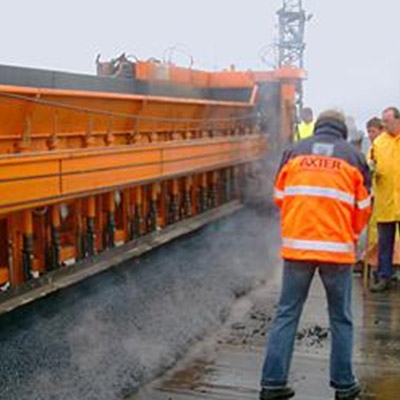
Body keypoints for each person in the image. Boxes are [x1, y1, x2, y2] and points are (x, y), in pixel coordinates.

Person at [260, 110, 371, 400]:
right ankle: (344, 385)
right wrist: (351, 236)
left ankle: (273, 383)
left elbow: (280, 198)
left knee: (286, 314)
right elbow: (363, 208)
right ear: (342, 130)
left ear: (318, 126)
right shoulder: (354, 157)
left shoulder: (294, 152)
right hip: (337, 252)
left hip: (298, 248)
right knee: (341, 319)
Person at [369, 107, 400, 292]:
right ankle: (384, 277)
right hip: (386, 201)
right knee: (385, 243)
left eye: (387, 121)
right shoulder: (379, 143)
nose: (383, 125)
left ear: (397, 120)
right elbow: (371, 163)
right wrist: (372, 169)